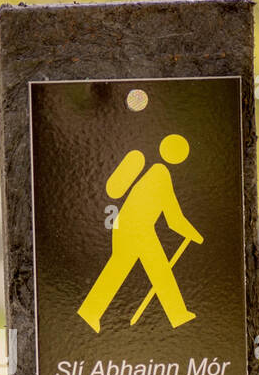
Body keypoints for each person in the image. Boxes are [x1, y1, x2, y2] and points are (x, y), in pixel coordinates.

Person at [77, 134, 204, 333]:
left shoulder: (155, 172)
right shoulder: (160, 174)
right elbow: (173, 218)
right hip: (136, 229)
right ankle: (177, 314)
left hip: (131, 227)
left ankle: (90, 311)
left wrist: (191, 232)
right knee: (152, 269)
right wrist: (195, 235)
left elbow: (172, 217)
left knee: (148, 269)